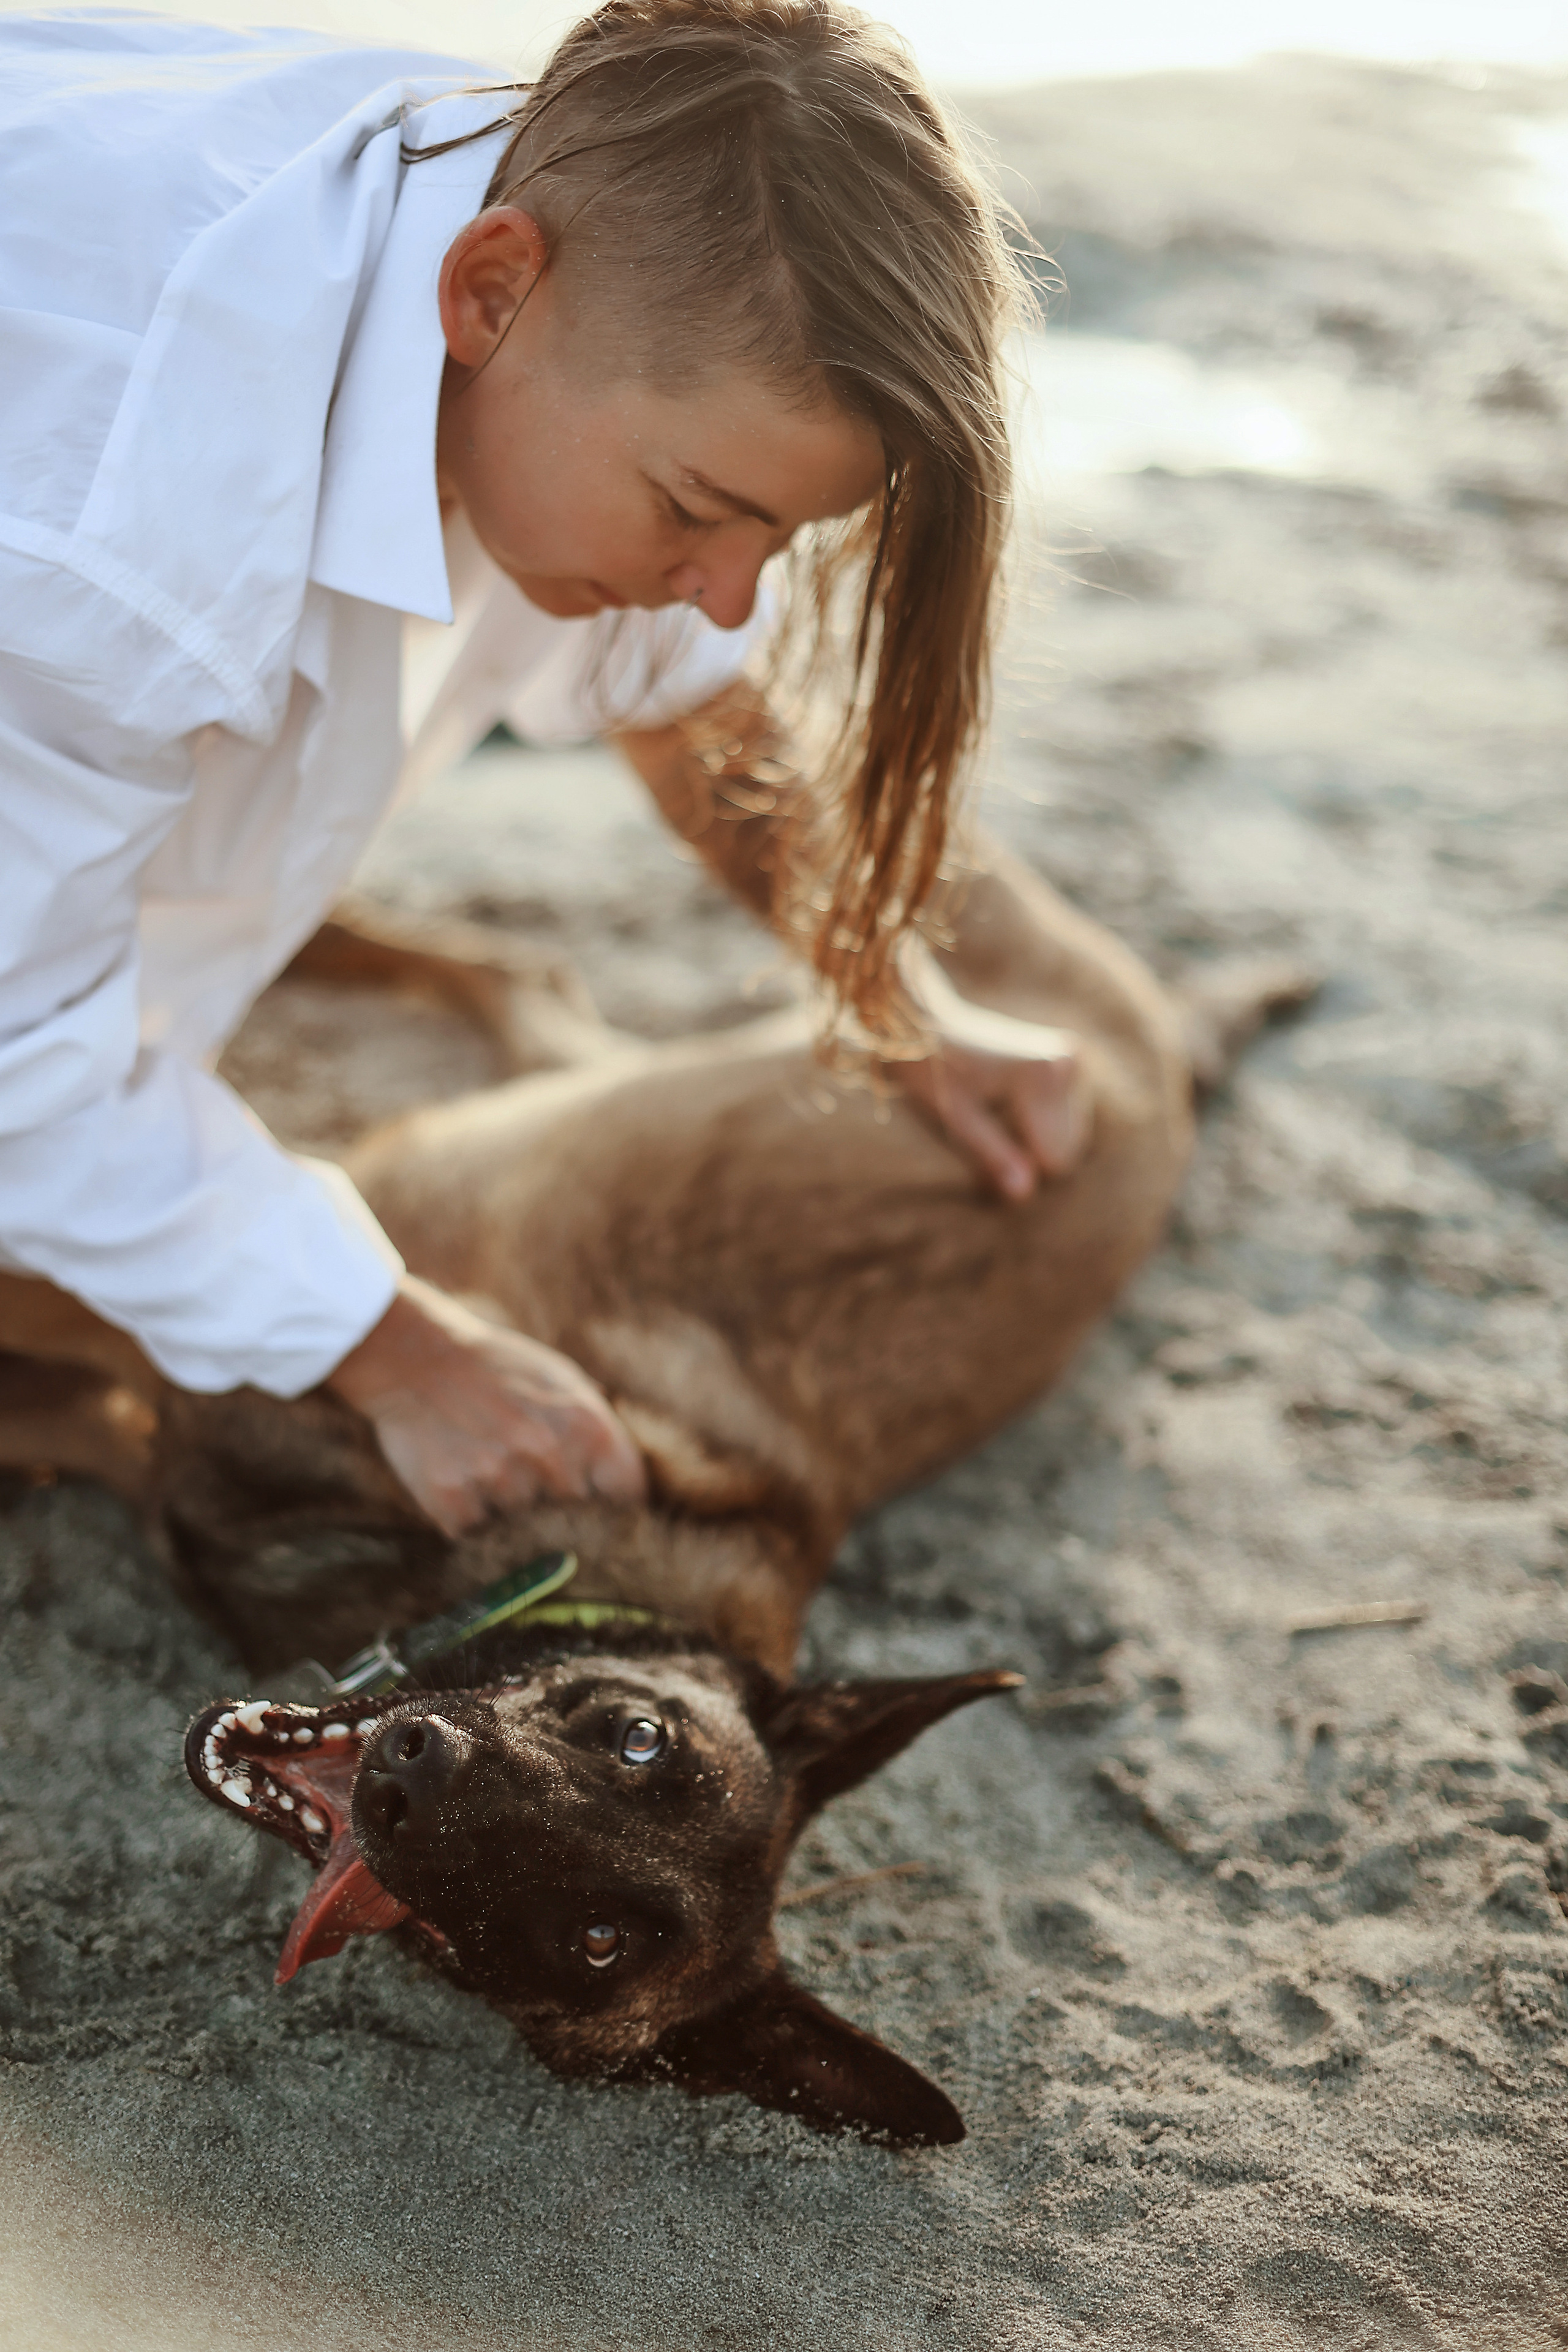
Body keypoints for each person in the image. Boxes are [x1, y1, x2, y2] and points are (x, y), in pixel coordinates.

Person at [0, 0, 1091, 1542]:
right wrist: (405, 1351)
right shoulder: (100, 538)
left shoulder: (588, 213)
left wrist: (883, 993)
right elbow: (9, 1061)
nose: (729, 595)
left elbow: (696, 705)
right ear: (491, 291)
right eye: (699, 509)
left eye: (778, 537)